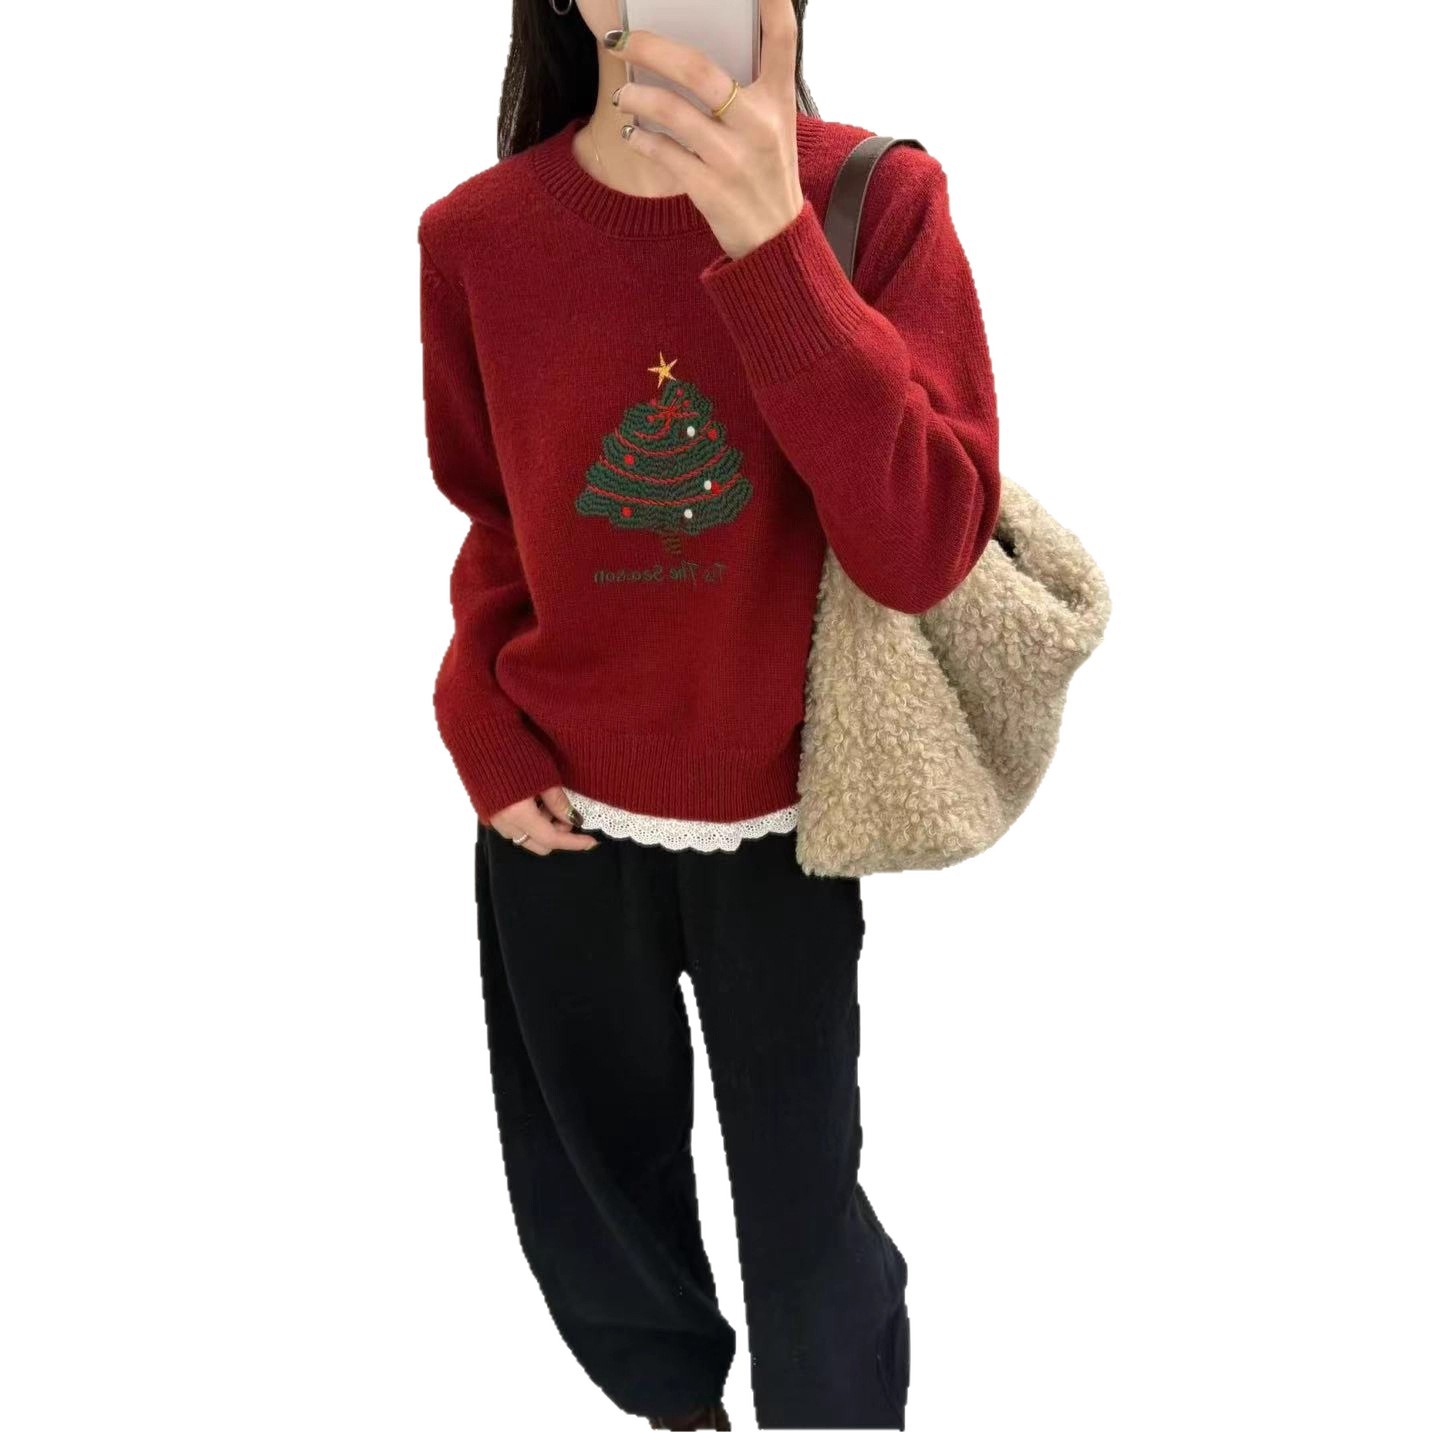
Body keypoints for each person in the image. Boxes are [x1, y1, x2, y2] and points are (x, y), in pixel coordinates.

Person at [417, 1, 1001, 1425]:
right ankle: (678, 1412)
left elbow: (924, 544)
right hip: (556, 813)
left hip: (785, 819)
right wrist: (479, 721)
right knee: (593, 1185)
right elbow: (495, 520)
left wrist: (773, 243)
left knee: (806, 1210)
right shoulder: (476, 236)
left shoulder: (879, 201)